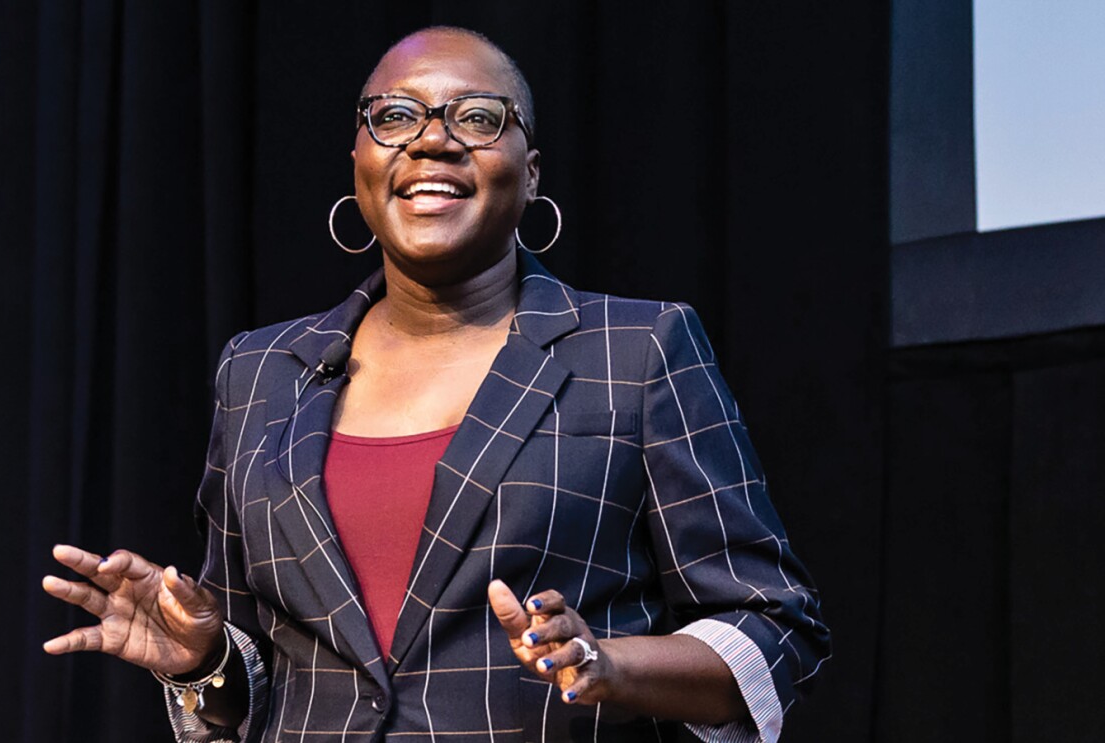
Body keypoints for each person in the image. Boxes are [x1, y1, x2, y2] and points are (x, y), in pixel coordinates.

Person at [42, 26, 829, 743]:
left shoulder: (637, 349)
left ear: (530, 173)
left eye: (479, 118)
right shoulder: (258, 373)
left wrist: (612, 664)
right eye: (394, 117)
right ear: (359, 160)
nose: (432, 141)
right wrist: (200, 656)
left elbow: (773, 623)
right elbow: (258, 677)